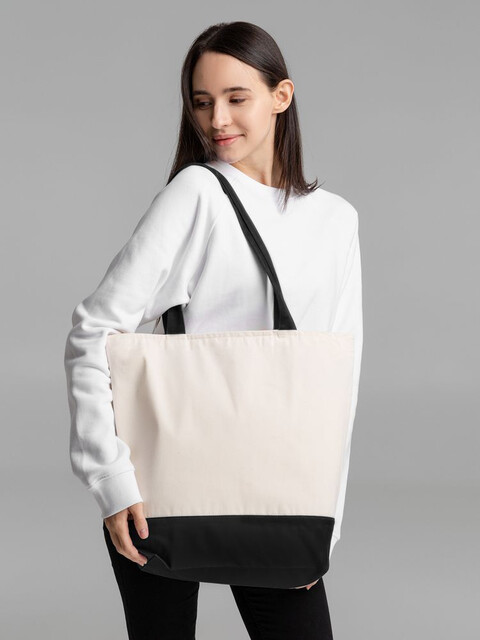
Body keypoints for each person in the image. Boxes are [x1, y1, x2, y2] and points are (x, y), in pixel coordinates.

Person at [64, 20, 363, 640]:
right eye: (202, 102)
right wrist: (112, 480)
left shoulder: (336, 221)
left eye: (236, 98)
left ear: (281, 96)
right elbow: (93, 330)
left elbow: (339, 383)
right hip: (161, 493)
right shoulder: (197, 193)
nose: (216, 120)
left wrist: (324, 523)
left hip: (280, 495)